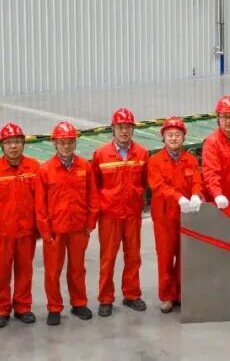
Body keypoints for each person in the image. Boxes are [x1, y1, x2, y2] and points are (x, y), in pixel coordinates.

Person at [0, 122, 43, 328]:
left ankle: (22, 307)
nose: (13, 146)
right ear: (2, 145)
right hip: (1, 233)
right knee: (1, 273)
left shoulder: (35, 168)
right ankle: (1, 309)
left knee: (25, 271)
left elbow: (40, 201)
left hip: (26, 231)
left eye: (17, 141)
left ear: (23, 144)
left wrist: (40, 227)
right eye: (9, 142)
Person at [37, 121, 96, 326]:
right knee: (53, 270)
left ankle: (79, 303)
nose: (66, 146)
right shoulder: (45, 170)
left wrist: (90, 223)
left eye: (70, 142)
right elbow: (40, 204)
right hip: (56, 230)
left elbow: (93, 197)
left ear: (75, 143)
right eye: (62, 142)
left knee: (77, 268)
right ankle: (54, 307)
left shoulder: (85, 167)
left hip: (79, 227)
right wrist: (45, 231)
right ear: (54, 144)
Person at [93, 108, 151, 317]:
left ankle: (132, 294)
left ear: (133, 129)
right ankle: (105, 298)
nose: (124, 131)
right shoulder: (101, 155)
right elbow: (95, 186)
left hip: (132, 214)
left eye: (127, 127)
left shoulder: (142, 153)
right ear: (113, 129)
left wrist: (137, 200)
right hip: (109, 215)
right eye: (120, 127)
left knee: (133, 256)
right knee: (108, 258)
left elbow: (145, 183)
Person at [147, 117, 204, 313]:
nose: (173, 138)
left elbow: (197, 181)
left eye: (177, 135)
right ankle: (167, 296)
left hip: (185, 216)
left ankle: (180, 293)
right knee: (165, 257)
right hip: (164, 217)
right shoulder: (154, 161)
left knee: (183, 256)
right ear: (163, 137)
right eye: (169, 135)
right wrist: (178, 197)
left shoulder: (190, 160)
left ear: (183, 137)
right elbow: (158, 186)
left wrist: (196, 194)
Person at [202, 96, 230, 210]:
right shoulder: (211, 143)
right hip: (218, 202)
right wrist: (218, 195)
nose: (228, 121)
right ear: (218, 118)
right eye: (224, 116)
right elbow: (210, 173)